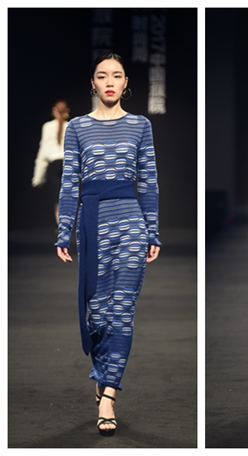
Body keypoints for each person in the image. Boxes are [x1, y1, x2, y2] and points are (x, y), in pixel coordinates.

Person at [55, 52, 161, 436]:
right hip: (92, 224)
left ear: (126, 82)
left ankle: (108, 396)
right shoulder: (78, 127)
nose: (110, 82)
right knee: (98, 315)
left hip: (130, 222)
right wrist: (64, 230)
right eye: (103, 76)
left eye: (117, 75)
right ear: (93, 83)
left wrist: (152, 230)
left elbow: (148, 180)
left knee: (123, 311)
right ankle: (102, 375)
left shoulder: (140, 125)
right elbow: (70, 182)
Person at [32, 100, 71, 225]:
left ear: (54, 110)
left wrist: (38, 178)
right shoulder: (70, 126)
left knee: (57, 195)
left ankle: (60, 224)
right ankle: (66, 223)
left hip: (54, 163)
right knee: (67, 195)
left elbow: (43, 153)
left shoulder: (47, 127)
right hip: (68, 164)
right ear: (67, 111)